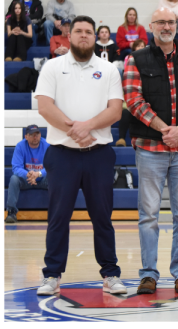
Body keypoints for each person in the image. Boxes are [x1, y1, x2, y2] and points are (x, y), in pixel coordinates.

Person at [34, 15, 125, 296]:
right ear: (69, 36)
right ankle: (52, 275)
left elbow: (115, 111)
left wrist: (87, 127)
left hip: (98, 155)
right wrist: (76, 130)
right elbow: (45, 107)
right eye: (79, 31)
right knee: (58, 217)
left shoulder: (109, 69)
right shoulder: (52, 67)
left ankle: (110, 274)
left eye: (89, 32)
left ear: (95, 37)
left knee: (103, 217)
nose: (84, 36)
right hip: (62, 154)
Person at [123, 6, 178, 293]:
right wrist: (164, 130)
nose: (166, 26)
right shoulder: (136, 59)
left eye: (171, 22)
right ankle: (148, 274)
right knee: (149, 215)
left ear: (177, 26)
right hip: (149, 149)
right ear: (152, 26)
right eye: (161, 22)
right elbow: (133, 100)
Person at [5, 124, 47, 224]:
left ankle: (56, 212)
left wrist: (39, 174)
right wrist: (28, 174)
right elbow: (16, 168)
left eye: (37, 134)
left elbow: (52, 166)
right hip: (27, 180)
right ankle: (11, 212)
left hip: (43, 179)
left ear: (40, 135)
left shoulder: (47, 145)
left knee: (56, 177)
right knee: (14, 179)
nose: (35, 137)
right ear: (26, 136)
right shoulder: (20, 146)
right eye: (32, 135)